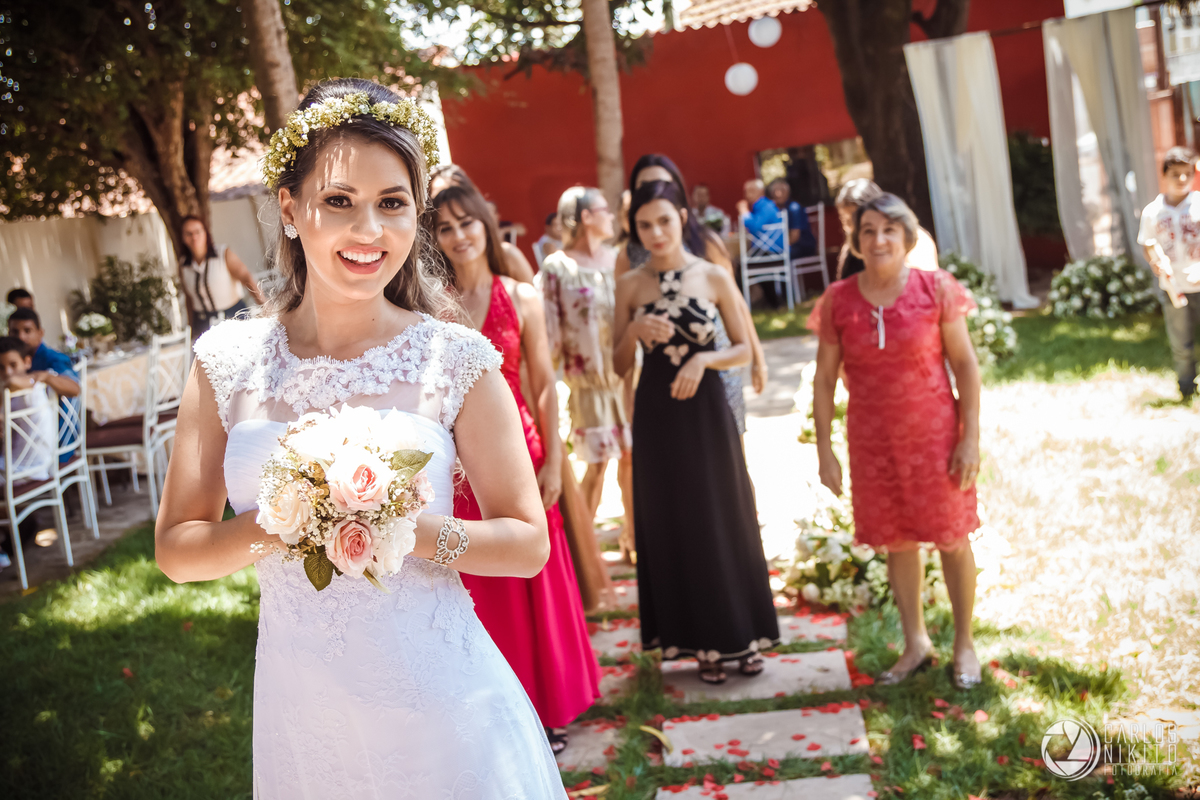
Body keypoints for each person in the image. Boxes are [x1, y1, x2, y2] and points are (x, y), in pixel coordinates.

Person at [155, 78, 565, 798]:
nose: (369, 231)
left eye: (393, 204)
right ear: (289, 208)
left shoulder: (455, 358)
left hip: (445, 709)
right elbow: (178, 551)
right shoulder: (225, 364)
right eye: (339, 201)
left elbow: (529, 544)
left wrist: (404, 527)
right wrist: (293, 522)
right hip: (303, 713)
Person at [430, 184, 600, 754]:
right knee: (482, 584)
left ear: (486, 224)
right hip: (457, 465)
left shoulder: (520, 295)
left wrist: (554, 457)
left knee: (535, 578)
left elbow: (546, 383)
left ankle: (550, 709)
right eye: (445, 228)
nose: (458, 236)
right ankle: (500, 703)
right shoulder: (432, 306)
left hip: (521, 454)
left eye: (466, 223)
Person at [809, 193, 982, 690]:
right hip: (872, 441)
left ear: (907, 237)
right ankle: (915, 643)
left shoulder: (936, 288)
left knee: (951, 537)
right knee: (898, 541)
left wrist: (969, 438)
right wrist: (826, 449)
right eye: (868, 230)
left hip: (935, 436)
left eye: (889, 229)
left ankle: (964, 644)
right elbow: (824, 380)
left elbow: (966, 365)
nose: (878, 238)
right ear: (857, 241)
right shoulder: (839, 298)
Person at [612, 180, 779, 684]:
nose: (656, 232)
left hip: (707, 410)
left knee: (724, 511)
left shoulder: (713, 275)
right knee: (675, 520)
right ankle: (700, 641)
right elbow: (617, 364)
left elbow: (745, 351)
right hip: (658, 416)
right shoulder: (629, 286)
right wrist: (635, 333)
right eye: (645, 225)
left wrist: (707, 358)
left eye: (664, 219)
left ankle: (742, 634)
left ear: (682, 216)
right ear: (635, 230)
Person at [615, 154, 769, 435]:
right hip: (661, 370)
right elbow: (624, 328)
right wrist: (628, 389)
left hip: (718, 358)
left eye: (662, 183)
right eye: (644, 186)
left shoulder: (704, 240)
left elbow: (736, 300)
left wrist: (758, 358)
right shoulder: (629, 257)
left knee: (729, 452)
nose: (654, 190)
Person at [537, 187, 633, 533]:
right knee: (598, 464)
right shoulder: (557, 267)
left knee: (632, 462)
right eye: (604, 209)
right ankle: (582, 550)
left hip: (627, 378)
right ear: (587, 217)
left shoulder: (619, 259)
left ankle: (635, 544)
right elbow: (547, 335)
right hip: (589, 384)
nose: (611, 216)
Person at [1139, 146, 1200, 401]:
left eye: (1187, 173)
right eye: (1176, 174)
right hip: (1174, 287)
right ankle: (1187, 389)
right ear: (1164, 174)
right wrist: (1155, 262)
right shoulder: (1153, 212)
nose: (1182, 179)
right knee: (1181, 342)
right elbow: (1148, 244)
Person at [0, 336, 58, 572]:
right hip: (22, 462)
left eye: (12, 365)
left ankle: (6, 545)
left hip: (28, 466)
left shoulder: (27, 385)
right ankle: (20, 525)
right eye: (1, 368)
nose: (7, 372)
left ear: (26, 362)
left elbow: (13, 382)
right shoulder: (23, 388)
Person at [429, 163, 536, 283]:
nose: (450, 202)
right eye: (439, 197)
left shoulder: (508, 257)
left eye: (457, 193)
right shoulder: (431, 277)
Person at [834, 179, 938, 280]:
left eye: (857, 220)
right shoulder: (852, 249)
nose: (852, 228)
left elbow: (926, 284)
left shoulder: (917, 240)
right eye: (845, 221)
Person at [177, 215, 263, 335]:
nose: (194, 237)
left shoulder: (223, 254)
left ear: (206, 233)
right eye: (188, 234)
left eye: (197, 232)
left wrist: (264, 305)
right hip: (203, 323)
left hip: (233, 317)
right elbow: (189, 298)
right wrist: (191, 327)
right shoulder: (184, 265)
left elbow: (246, 277)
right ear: (183, 237)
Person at [767, 178, 817, 260]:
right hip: (787, 246)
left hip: (802, 246)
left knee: (774, 256)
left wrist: (777, 246)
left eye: (781, 190)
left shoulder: (794, 208)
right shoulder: (774, 210)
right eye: (774, 191)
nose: (778, 194)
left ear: (788, 192)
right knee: (769, 255)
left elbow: (794, 237)